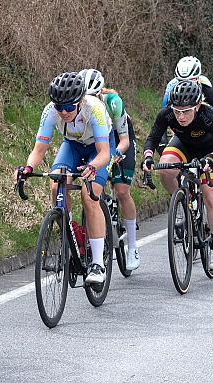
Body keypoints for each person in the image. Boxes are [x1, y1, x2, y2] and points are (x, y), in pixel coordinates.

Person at [16, 71, 113, 285]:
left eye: (69, 107)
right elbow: (39, 149)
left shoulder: (94, 109)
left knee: (89, 197)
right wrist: (28, 167)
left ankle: (97, 263)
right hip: (72, 146)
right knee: (55, 184)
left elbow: (104, 153)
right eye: (60, 107)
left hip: (98, 148)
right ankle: (69, 230)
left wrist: (92, 166)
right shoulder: (51, 111)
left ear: (80, 101)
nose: (64, 112)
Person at [143, 81, 213, 271]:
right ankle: (182, 203)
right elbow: (152, 138)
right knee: (165, 169)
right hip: (184, 146)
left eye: (186, 111)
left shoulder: (209, 116)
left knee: (210, 195)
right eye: (177, 111)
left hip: (211, 151)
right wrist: (148, 157)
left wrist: (211, 158)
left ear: (197, 106)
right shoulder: (167, 114)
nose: (181, 116)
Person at [81, 69, 141, 271]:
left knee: (122, 190)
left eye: (93, 97)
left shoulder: (113, 102)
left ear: (100, 94)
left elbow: (124, 140)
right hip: (97, 142)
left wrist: (114, 155)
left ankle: (132, 246)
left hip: (120, 141)